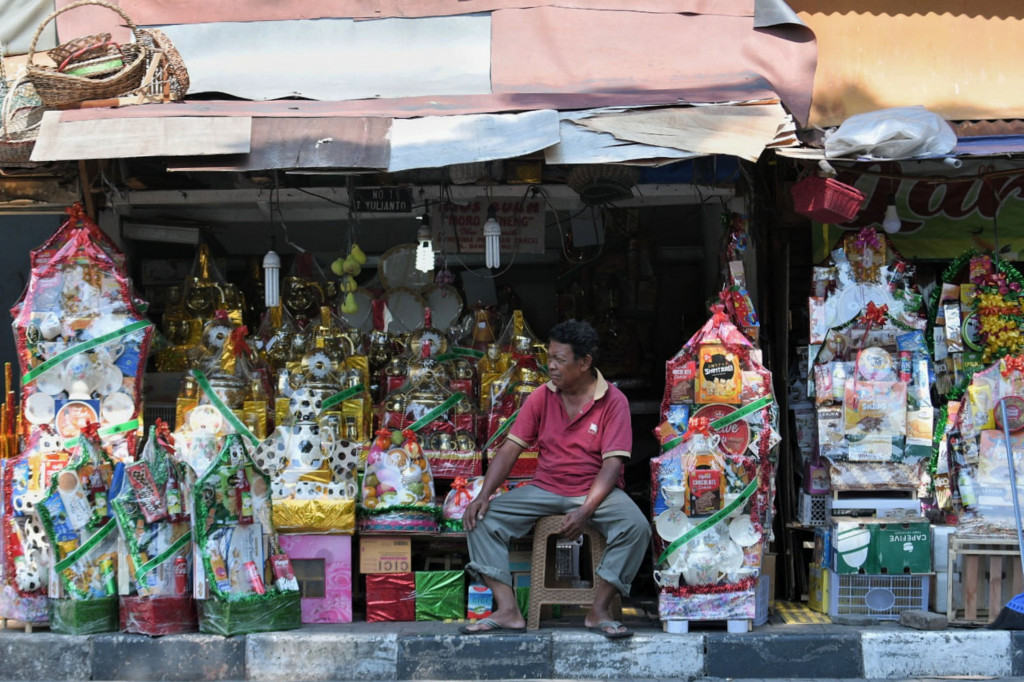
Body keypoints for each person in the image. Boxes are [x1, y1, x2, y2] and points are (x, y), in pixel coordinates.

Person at [461, 319, 651, 639]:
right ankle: (508, 610)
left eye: (560, 360)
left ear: (585, 362)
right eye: (549, 358)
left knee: (636, 527)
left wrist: (586, 510)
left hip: (596, 491)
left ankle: (598, 609)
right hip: (545, 487)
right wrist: (483, 495)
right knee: (480, 519)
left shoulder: (613, 401)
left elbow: (612, 466)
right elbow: (510, 450)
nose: (551, 366)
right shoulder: (541, 396)